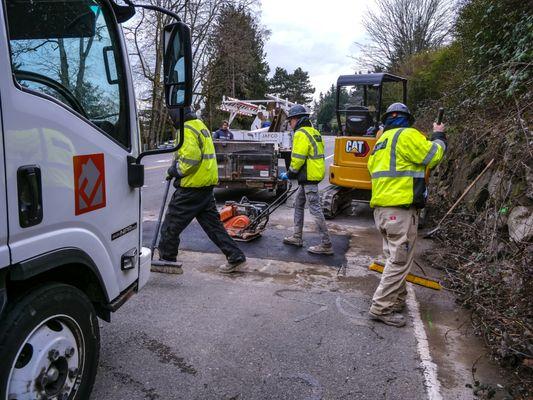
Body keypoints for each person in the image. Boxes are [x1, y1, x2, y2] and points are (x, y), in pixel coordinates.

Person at [367, 103, 447, 327]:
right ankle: (381, 307)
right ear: (407, 119)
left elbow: (372, 169)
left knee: (394, 258)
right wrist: (439, 136)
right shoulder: (408, 135)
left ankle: (397, 299)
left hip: (382, 210)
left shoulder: (381, 141)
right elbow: (432, 156)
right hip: (399, 211)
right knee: (399, 261)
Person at [153, 107, 246, 274]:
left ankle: (167, 260)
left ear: (176, 115)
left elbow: (191, 159)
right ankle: (235, 256)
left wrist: (175, 171)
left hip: (191, 188)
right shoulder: (199, 125)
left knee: (170, 225)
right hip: (205, 187)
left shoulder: (186, 129)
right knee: (214, 227)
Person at [279, 105, 333, 255]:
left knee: (315, 210)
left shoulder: (301, 133)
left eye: (290, 121)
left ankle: (326, 243)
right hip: (311, 175)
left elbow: (297, 158)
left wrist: (289, 174)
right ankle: (297, 236)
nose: (290, 124)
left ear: (297, 119)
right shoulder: (314, 132)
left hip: (308, 176)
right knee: (298, 203)